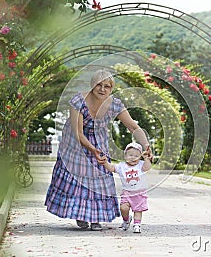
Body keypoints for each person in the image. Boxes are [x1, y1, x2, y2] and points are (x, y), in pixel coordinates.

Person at [44, 69, 152, 231]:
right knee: (78, 178)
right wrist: (93, 149)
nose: (102, 89)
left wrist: (146, 145)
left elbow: (132, 126)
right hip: (75, 142)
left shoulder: (114, 104)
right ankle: (80, 215)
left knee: (99, 175)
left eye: (107, 86)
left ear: (111, 89)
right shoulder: (78, 101)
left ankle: (95, 218)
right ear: (92, 85)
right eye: (99, 85)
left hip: (98, 139)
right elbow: (78, 133)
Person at [103, 142, 152, 233]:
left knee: (138, 210)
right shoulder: (122, 166)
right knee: (123, 208)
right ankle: (126, 219)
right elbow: (112, 168)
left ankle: (137, 224)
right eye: (130, 155)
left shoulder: (141, 165)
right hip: (127, 193)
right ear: (125, 156)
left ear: (140, 157)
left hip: (139, 193)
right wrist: (105, 162)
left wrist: (146, 159)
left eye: (136, 156)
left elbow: (147, 167)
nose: (133, 157)